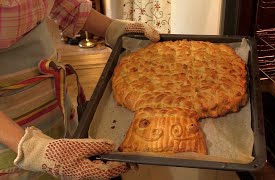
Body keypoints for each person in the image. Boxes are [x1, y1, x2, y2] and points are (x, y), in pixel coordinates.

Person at [0, 0, 160, 179]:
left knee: (63, 153)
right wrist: (31, 148)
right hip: (7, 125)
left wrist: (111, 28)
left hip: (49, 90)